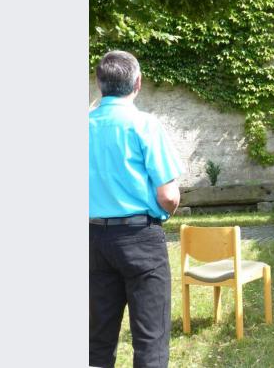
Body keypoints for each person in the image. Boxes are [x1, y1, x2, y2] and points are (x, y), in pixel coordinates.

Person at [90, 51, 184, 368]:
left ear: (99, 84)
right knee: (150, 340)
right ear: (138, 82)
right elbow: (168, 195)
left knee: (96, 341)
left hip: (93, 239)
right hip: (140, 237)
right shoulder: (144, 124)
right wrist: (164, 214)